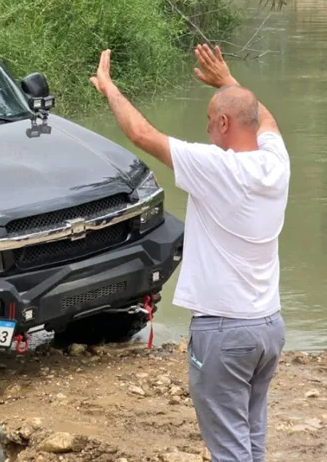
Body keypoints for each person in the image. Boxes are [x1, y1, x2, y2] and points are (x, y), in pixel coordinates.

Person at [89, 45, 289, 462]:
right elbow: (265, 119)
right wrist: (229, 81)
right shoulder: (277, 163)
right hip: (268, 326)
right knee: (250, 438)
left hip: (224, 332)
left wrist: (109, 88)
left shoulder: (218, 167)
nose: (208, 131)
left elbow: (142, 134)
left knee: (230, 450)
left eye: (209, 122)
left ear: (222, 122)